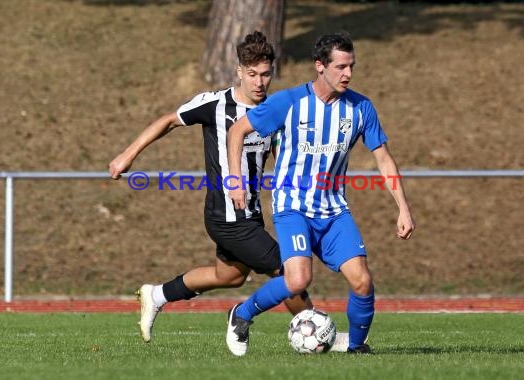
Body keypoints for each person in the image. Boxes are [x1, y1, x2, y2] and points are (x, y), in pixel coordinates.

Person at [108, 31, 349, 350]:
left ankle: (157, 294)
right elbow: (168, 121)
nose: (259, 82)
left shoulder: (277, 111)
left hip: (251, 215)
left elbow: (284, 158)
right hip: (226, 217)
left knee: (229, 276)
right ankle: (320, 336)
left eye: (265, 74)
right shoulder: (216, 104)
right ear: (239, 71)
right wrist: (127, 154)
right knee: (289, 270)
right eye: (252, 74)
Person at [226, 32, 415, 356]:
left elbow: (382, 158)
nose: (348, 74)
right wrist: (235, 180)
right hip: (292, 207)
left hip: (333, 210)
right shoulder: (289, 102)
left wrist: (403, 207)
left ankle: (356, 348)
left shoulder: (360, 108)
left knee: (362, 282)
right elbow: (237, 130)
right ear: (320, 66)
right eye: (341, 66)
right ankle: (241, 314)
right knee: (298, 280)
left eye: (351, 66)